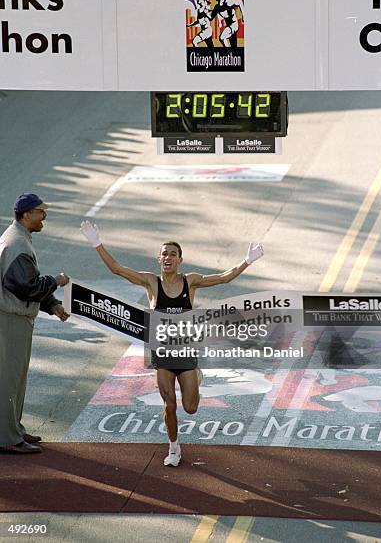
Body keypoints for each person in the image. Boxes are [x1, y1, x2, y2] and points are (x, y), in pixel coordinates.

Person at [80, 220, 264, 466]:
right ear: (159, 259)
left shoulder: (191, 281)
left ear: (180, 260)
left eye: (173, 254)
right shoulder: (150, 282)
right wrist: (97, 243)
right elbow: (117, 269)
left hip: (186, 352)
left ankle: (196, 376)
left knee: (190, 408)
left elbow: (223, 278)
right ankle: (174, 447)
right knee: (169, 404)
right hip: (162, 353)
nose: (168, 257)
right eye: (164, 253)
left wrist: (247, 260)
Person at [0, 193, 70, 455]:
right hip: (10, 319)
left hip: (14, 317)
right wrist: (56, 281)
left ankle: (12, 429)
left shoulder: (18, 237)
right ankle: (7, 437)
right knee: (9, 379)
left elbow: (26, 282)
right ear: (27, 214)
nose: (45, 216)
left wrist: (52, 305)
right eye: (41, 212)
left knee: (15, 378)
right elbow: (26, 286)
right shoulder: (17, 243)